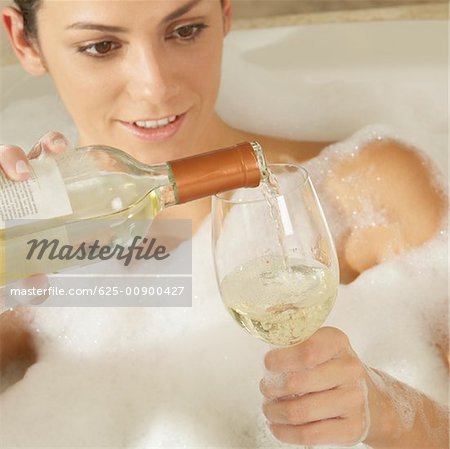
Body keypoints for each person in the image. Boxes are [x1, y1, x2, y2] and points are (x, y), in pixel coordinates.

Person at [0, 0, 447, 447]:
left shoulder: (363, 191)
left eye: (185, 30)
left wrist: (387, 411)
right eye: (101, 46)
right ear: (23, 39)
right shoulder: (32, 249)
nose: (155, 87)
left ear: (225, 13)